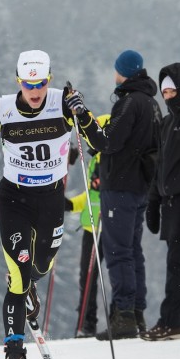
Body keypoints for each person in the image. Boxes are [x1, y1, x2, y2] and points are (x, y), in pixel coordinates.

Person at [0, 50, 96, 359]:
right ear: (18, 81)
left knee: (43, 264)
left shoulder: (63, 105)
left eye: (40, 83)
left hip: (50, 198)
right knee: (18, 279)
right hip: (14, 199)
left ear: (48, 80)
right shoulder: (1, 109)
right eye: (27, 84)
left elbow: (101, 144)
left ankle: (31, 284)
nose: (34, 91)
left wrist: (83, 114)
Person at [75, 50, 162, 340]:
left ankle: (123, 314)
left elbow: (108, 142)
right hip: (140, 187)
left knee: (118, 251)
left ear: (121, 72)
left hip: (121, 186)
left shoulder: (129, 102)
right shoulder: (151, 103)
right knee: (133, 250)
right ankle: (135, 311)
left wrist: (82, 116)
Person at [141, 63, 180, 341]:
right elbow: (160, 165)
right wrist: (153, 201)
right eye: (165, 92)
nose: (169, 96)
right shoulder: (168, 122)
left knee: (178, 261)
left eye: (173, 90)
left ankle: (170, 321)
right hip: (170, 200)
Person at [65, 114, 110, 338]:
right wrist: (70, 204)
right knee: (87, 276)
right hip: (90, 226)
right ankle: (86, 322)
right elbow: (90, 196)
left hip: (105, 224)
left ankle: (93, 322)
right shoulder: (96, 159)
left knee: (95, 275)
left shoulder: (109, 157)